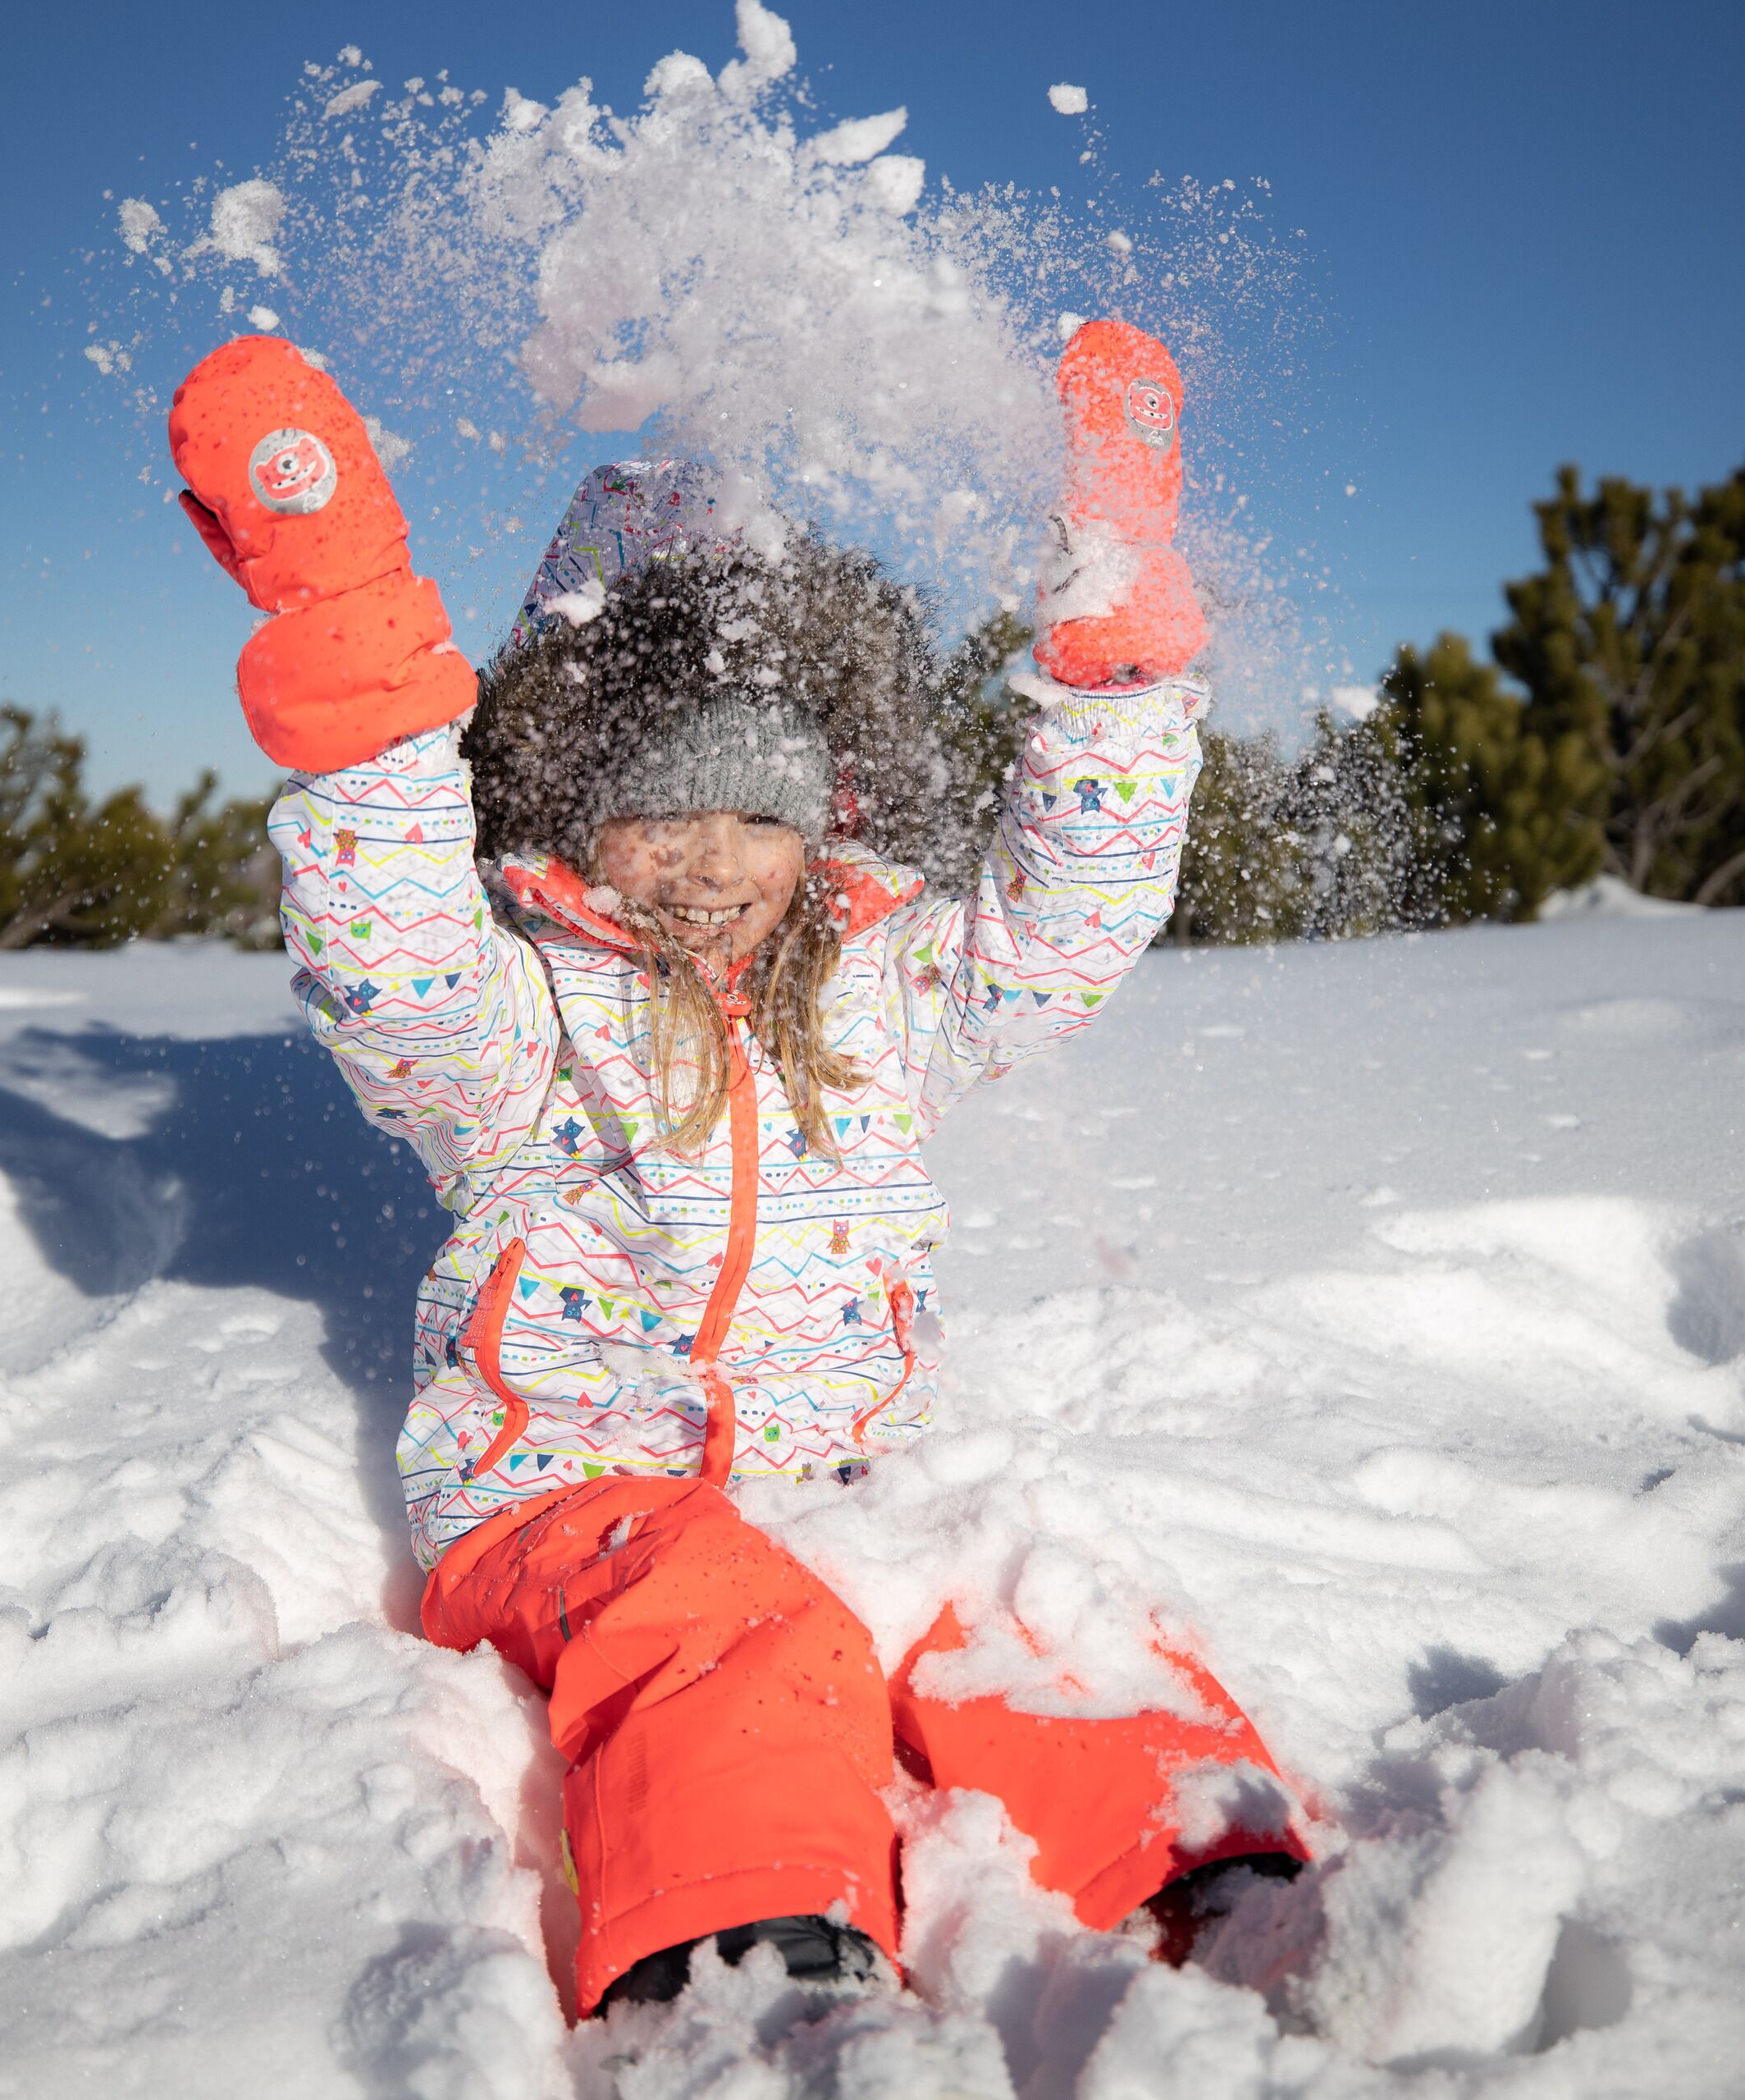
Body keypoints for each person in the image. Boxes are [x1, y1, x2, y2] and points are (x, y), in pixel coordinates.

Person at [167, 321, 1318, 2014]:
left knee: (1003, 1576)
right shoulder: (523, 1020)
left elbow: (1065, 921)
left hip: (843, 1478)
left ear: (827, 813)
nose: (712, 862)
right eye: (657, 812)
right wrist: (358, 682)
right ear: (573, 807)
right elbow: (392, 965)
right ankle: (748, 1966)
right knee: (725, 1613)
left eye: (758, 812)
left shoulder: (883, 991)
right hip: (567, 1505)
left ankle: (1209, 1872)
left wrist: (1117, 656)